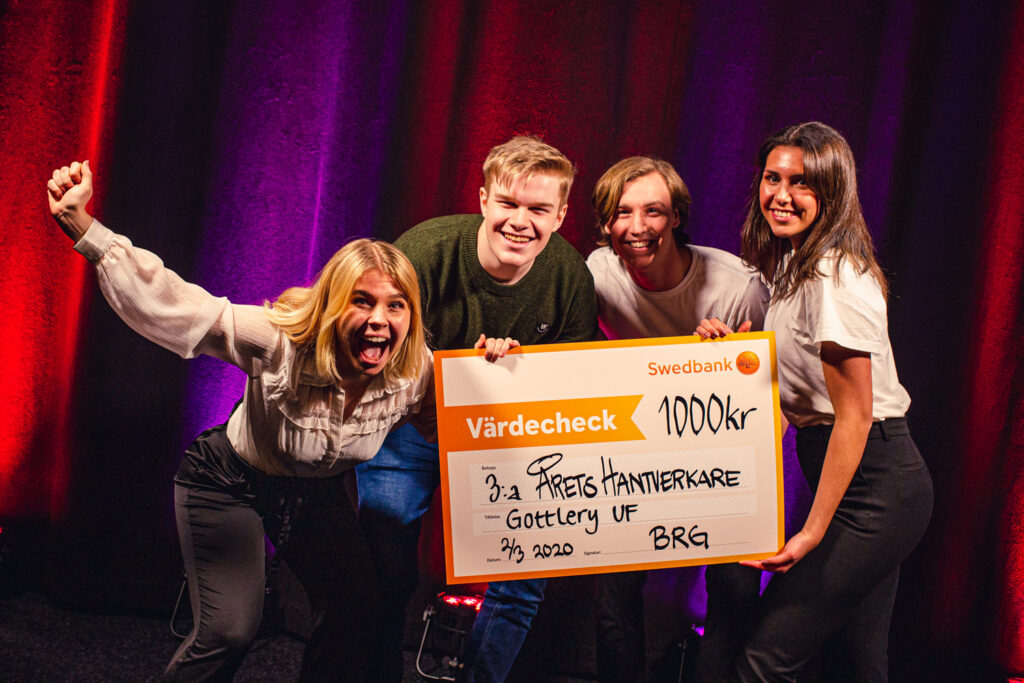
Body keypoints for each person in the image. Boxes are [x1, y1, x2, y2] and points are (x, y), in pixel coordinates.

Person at [46, 160, 436, 681]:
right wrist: (84, 227)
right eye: (361, 302)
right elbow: (178, 304)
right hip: (227, 482)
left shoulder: (416, 373)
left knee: (356, 612)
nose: (379, 321)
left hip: (314, 493)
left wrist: (501, 363)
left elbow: (471, 419)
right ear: (331, 307)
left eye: (396, 306)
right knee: (229, 632)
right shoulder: (280, 342)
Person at [354, 135, 599, 682]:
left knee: (523, 582)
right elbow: (372, 344)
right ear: (484, 199)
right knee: (383, 567)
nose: (520, 221)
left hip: (508, 437)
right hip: (412, 423)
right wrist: (462, 370)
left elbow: (573, 382)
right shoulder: (425, 252)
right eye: (508, 203)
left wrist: (518, 374)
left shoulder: (569, 277)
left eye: (539, 209)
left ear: (560, 216)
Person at [697, 122, 933, 681]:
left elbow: (855, 415)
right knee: (858, 663)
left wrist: (811, 532)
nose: (781, 195)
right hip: (856, 477)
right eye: (772, 178)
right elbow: (796, 389)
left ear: (832, 190)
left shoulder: (832, 276)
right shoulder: (795, 264)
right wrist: (734, 359)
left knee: (764, 658)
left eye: (801, 182)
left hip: (877, 490)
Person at [586, 156, 768, 683]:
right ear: (606, 223)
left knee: (733, 590)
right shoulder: (598, 272)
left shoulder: (736, 286)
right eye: (622, 212)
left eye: (654, 211)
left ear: (677, 217)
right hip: (639, 451)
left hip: (723, 455)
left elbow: (767, 396)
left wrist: (728, 366)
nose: (637, 226)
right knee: (613, 594)